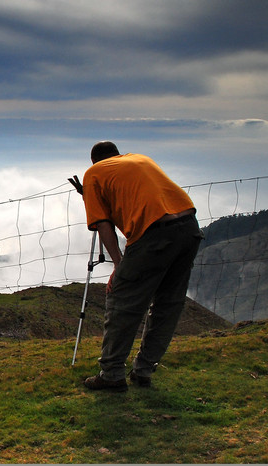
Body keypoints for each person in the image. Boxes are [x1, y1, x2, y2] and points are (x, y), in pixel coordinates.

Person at [69, 141, 203, 392]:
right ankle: (143, 370)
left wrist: (118, 265)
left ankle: (111, 374)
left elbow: (103, 225)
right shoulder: (140, 158)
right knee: (168, 303)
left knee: (123, 299)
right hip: (189, 226)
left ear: (94, 161)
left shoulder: (94, 174)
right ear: (117, 154)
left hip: (153, 233)